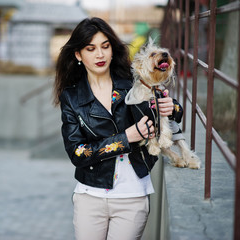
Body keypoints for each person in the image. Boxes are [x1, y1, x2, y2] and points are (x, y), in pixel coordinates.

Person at [53, 17, 180, 240]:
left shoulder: (133, 83)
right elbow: (77, 152)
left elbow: (163, 102)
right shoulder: (72, 97)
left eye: (105, 46)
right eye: (90, 49)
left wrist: (174, 107)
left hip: (133, 196)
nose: (100, 55)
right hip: (89, 197)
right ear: (78, 55)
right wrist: (126, 137)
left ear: (112, 49)